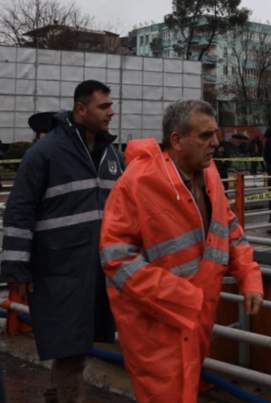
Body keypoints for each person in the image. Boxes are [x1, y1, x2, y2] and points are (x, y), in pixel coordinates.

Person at [100, 100, 263, 403]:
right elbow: (115, 257)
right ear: (176, 140)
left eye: (215, 134)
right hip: (155, 328)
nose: (215, 143)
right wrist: (183, 297)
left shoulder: (209, 172)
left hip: (195, 319)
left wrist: (249, 278)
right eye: (205, 136)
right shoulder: (137, 183)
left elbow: (228, 228)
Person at [0, 80, 122, 403]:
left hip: (94, 270)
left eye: (111, 105)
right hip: (57, 272)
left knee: (75, 347)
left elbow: (123, 208)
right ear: (81, 110)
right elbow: (19, 212)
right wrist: (17, 270)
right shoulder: (46, 153)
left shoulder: (111, 153)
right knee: (70, 348)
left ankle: (55, 395)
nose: (112, 112)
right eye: (103, 106)